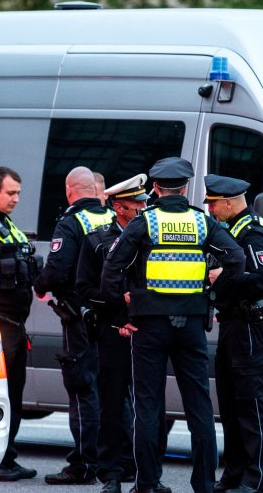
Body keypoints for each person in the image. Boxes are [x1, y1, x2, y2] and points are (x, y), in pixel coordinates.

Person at [101, 157, 245, 493]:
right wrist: (214, 291)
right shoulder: (202, 222)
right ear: (185, 188)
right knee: (199, 407)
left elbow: (112, 269)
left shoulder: (144, 223)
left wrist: (123, 314)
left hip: (148, 326)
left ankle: (148, 483)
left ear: (155, 188)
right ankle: (205, 485)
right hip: (191, 325)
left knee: (148, 406)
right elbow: (235, 258)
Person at [35, 166, 114, 485]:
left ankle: (83, 464)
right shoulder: (110, 217)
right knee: (113, 390)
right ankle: (117, 461)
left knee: (83, 389)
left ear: (70, 190)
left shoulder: (72, 222)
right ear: (93, 190)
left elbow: (57, 270)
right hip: (111, 317)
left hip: (80, 317)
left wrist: (39, 285)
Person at [203, 175, 263, 493]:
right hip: (233, 324)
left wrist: (227, 275)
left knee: (251, 405)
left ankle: (257, 478)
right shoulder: (230, 230)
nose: (209, 209)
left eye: (213, 203)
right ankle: (234, 473)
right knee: (232, 406)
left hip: (250, 324)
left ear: (230, 202)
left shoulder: (252, 232)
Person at [76, 173, 150, 493]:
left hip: (146, 330)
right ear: (119, 207)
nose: (143, 208)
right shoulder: (96, 240)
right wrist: (119, 301)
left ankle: (141, 466)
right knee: (112, 402)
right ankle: (110, 472)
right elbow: (83, 288)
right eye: (137, 203)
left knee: (147, 403)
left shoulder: (150, 236)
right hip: (113, 330)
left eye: (145, 201)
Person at [0, 166, 41, 482]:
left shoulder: (8, 225)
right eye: (10, 193)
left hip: (16, 323)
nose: (16, 199)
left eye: (18, 193)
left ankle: (8, 456)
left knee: (15, 394)